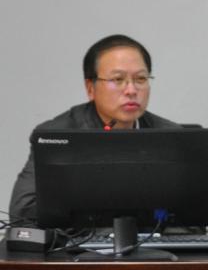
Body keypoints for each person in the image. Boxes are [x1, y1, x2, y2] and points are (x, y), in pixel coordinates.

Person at [8, 34, 179, 224]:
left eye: (140, 78)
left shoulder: (172, 136)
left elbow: (190, 216)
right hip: (79, 241)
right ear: (90, 88)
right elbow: (22, 211)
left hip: (151, 242)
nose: (131, 90)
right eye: (118, 79)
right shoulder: (58, 135)